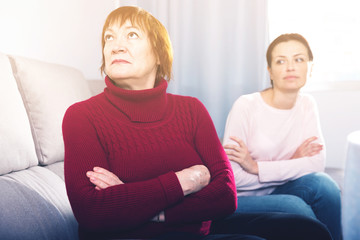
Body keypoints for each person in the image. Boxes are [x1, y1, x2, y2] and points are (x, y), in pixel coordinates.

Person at [63, 7, 332, 240]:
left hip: (198, 228)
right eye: (109, 37)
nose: (115, 45)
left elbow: (225, 195)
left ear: (159, 52)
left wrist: (138, 204)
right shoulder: (81, 116)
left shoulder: (191, 109)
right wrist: (184, 182)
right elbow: (92, 211)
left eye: (131, 35)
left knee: (308, 230)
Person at [223, 33, 342, 240]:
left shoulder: (307, 104)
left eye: (298, 59)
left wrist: (256, 167)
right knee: (296, 207)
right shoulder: (246, 106)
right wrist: (294, 163)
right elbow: (233, 178)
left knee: (326, 185)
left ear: (310, 67)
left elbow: (316, 164)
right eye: (280, 61)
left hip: (280, 188)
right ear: (269, 70)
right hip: (241, 198)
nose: (290, 67)